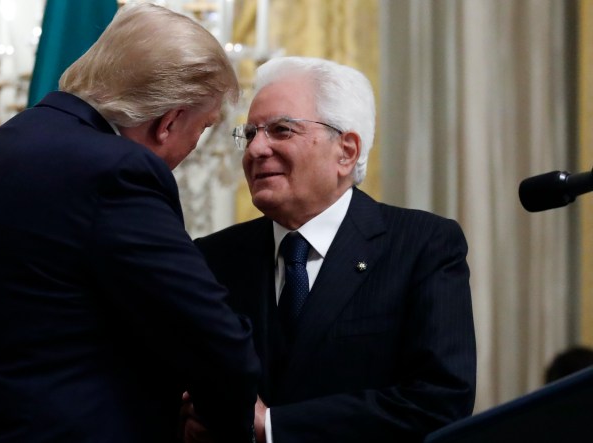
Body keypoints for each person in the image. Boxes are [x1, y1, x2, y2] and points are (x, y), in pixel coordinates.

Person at [0, 4, 259, 443]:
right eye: (201, 129)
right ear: (169, 122)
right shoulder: (116, 172)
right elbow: (217, 344)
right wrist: (221, 425)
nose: (193, 148)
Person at [191, 56, 477, 442]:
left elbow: (440, 400)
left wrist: (273, 428)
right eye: (250, 133)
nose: (256, 149)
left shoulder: (422, 245)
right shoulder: (213, 258)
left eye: (280, 130)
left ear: (346, 151)